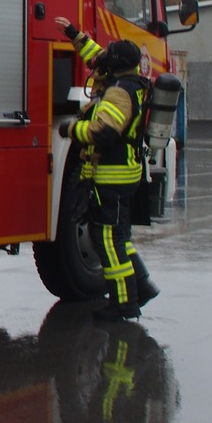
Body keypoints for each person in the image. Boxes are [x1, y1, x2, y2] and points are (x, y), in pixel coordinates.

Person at [54, 17, 157, 318]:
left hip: (112, 177)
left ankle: (123, 303)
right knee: (120, 238)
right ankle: (143, 286)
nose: (103, 59)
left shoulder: (118, 92)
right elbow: (97, 56)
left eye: (110, 56)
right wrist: (74, 34)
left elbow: (104, 132)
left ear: (118, 65)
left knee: (108, 242)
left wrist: (72, 129)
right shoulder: (131, 80)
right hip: (126, 173)